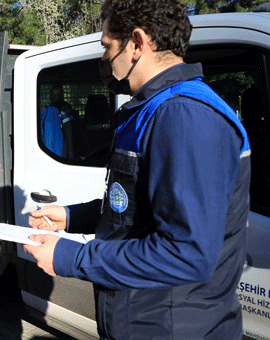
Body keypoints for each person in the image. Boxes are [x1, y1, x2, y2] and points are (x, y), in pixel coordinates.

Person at [23, 0, 251, 339]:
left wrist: (74, 257)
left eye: (106, 48)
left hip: (172, 326)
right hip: (141, 319)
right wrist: (72, 216)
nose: (103, 59)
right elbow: (139, 206)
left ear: (136, 43)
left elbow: (187, 253)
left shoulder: (184, 116)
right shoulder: (153, 109)